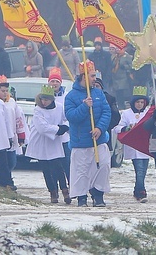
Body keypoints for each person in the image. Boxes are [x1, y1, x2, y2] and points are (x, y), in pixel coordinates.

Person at [65, 59, 111, 207]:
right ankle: (81, 197)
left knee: (103, 165)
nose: (94, 79)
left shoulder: (98, 93)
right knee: (81, 171)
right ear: (84, 77)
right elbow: (71, 117)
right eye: (92, 76)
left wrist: (99, 128)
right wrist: (85, 106)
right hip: (81, 142)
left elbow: (106, 112)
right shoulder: (71, 96)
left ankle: (98, 195)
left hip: (99, 140)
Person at [25, 84, 70, 204]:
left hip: (54, 141)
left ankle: (65, 190)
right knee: (46, 167)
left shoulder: (59, 108)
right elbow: (42, 128)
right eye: (42, 99)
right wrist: (58, 129)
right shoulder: (38, 110)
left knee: (58, 166)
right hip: (41, 141)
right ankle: (53, 191)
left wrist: (65, 127)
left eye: (47, 99)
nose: (44, 102)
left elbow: (66, 119)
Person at [113, 86, 151, 203]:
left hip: (145, 146)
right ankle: (141, 191)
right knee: (139, 169)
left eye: (141, 102)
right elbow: (117, 128)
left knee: (143, 170)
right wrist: (127, 128)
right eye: (137, 102)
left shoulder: (148, 113)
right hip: (134, 146)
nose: (139, 104)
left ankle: (137, 189)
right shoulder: (126, 114)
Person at [0, 75, 28, 186]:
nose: (5, 93)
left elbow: (18, 119)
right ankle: (5, 180)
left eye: (6, 91)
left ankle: (2, 177)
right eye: (2, 91)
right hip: (0, 136)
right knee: (2, 161)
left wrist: (21, 135)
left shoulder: (12, 102)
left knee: (12, 161)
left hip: (12, 135)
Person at [47, 67, 72, 184]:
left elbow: (69, 115)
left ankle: (72, 185)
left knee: (67, 163)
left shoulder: (67, 96)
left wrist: (65, 127)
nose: (54, 84)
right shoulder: (45, 97)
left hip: (64, 137)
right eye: (52, 81)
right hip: (51, 136)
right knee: (54, 164)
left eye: (57, 81)